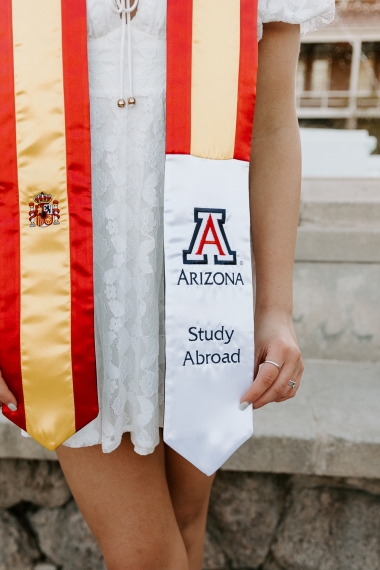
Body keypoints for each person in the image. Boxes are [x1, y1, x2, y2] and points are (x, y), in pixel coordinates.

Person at [0, 1, 335, 568]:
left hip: (205, 275)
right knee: (147, 554)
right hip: (69, 289)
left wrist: (275, 309)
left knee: (183, 522)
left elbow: (274, 121)